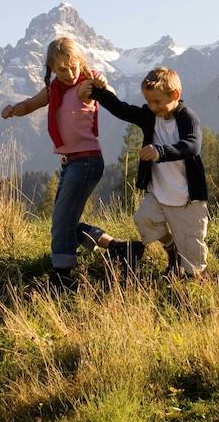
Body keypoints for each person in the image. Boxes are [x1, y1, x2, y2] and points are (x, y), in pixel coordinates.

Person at [0, 36, 143, 289]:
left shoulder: (86, 85)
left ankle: (62, 277)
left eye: (73, 66)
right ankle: (120, 248)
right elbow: (31, 104)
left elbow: (109, 96)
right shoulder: (54, 89)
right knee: (64, 221)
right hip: (71, 163)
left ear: (81, 62)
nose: (69, 73)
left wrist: (103, 85)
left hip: (87, 161)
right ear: (52, 69)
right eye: (62, 69)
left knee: (61, 223)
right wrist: (13, 110)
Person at [81, 67, 210, 278]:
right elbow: (122, 110)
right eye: (149, 101)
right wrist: (98, 93)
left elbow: (192, 145)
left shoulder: (188, 118)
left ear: (175, 95)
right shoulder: (150, 116)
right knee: (144, 219)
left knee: (193, 254)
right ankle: (172, 249)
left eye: (157, 102)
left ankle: (195, 283)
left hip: (187, 199)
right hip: (159, 193)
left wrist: (160, 151)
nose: (152, 106)